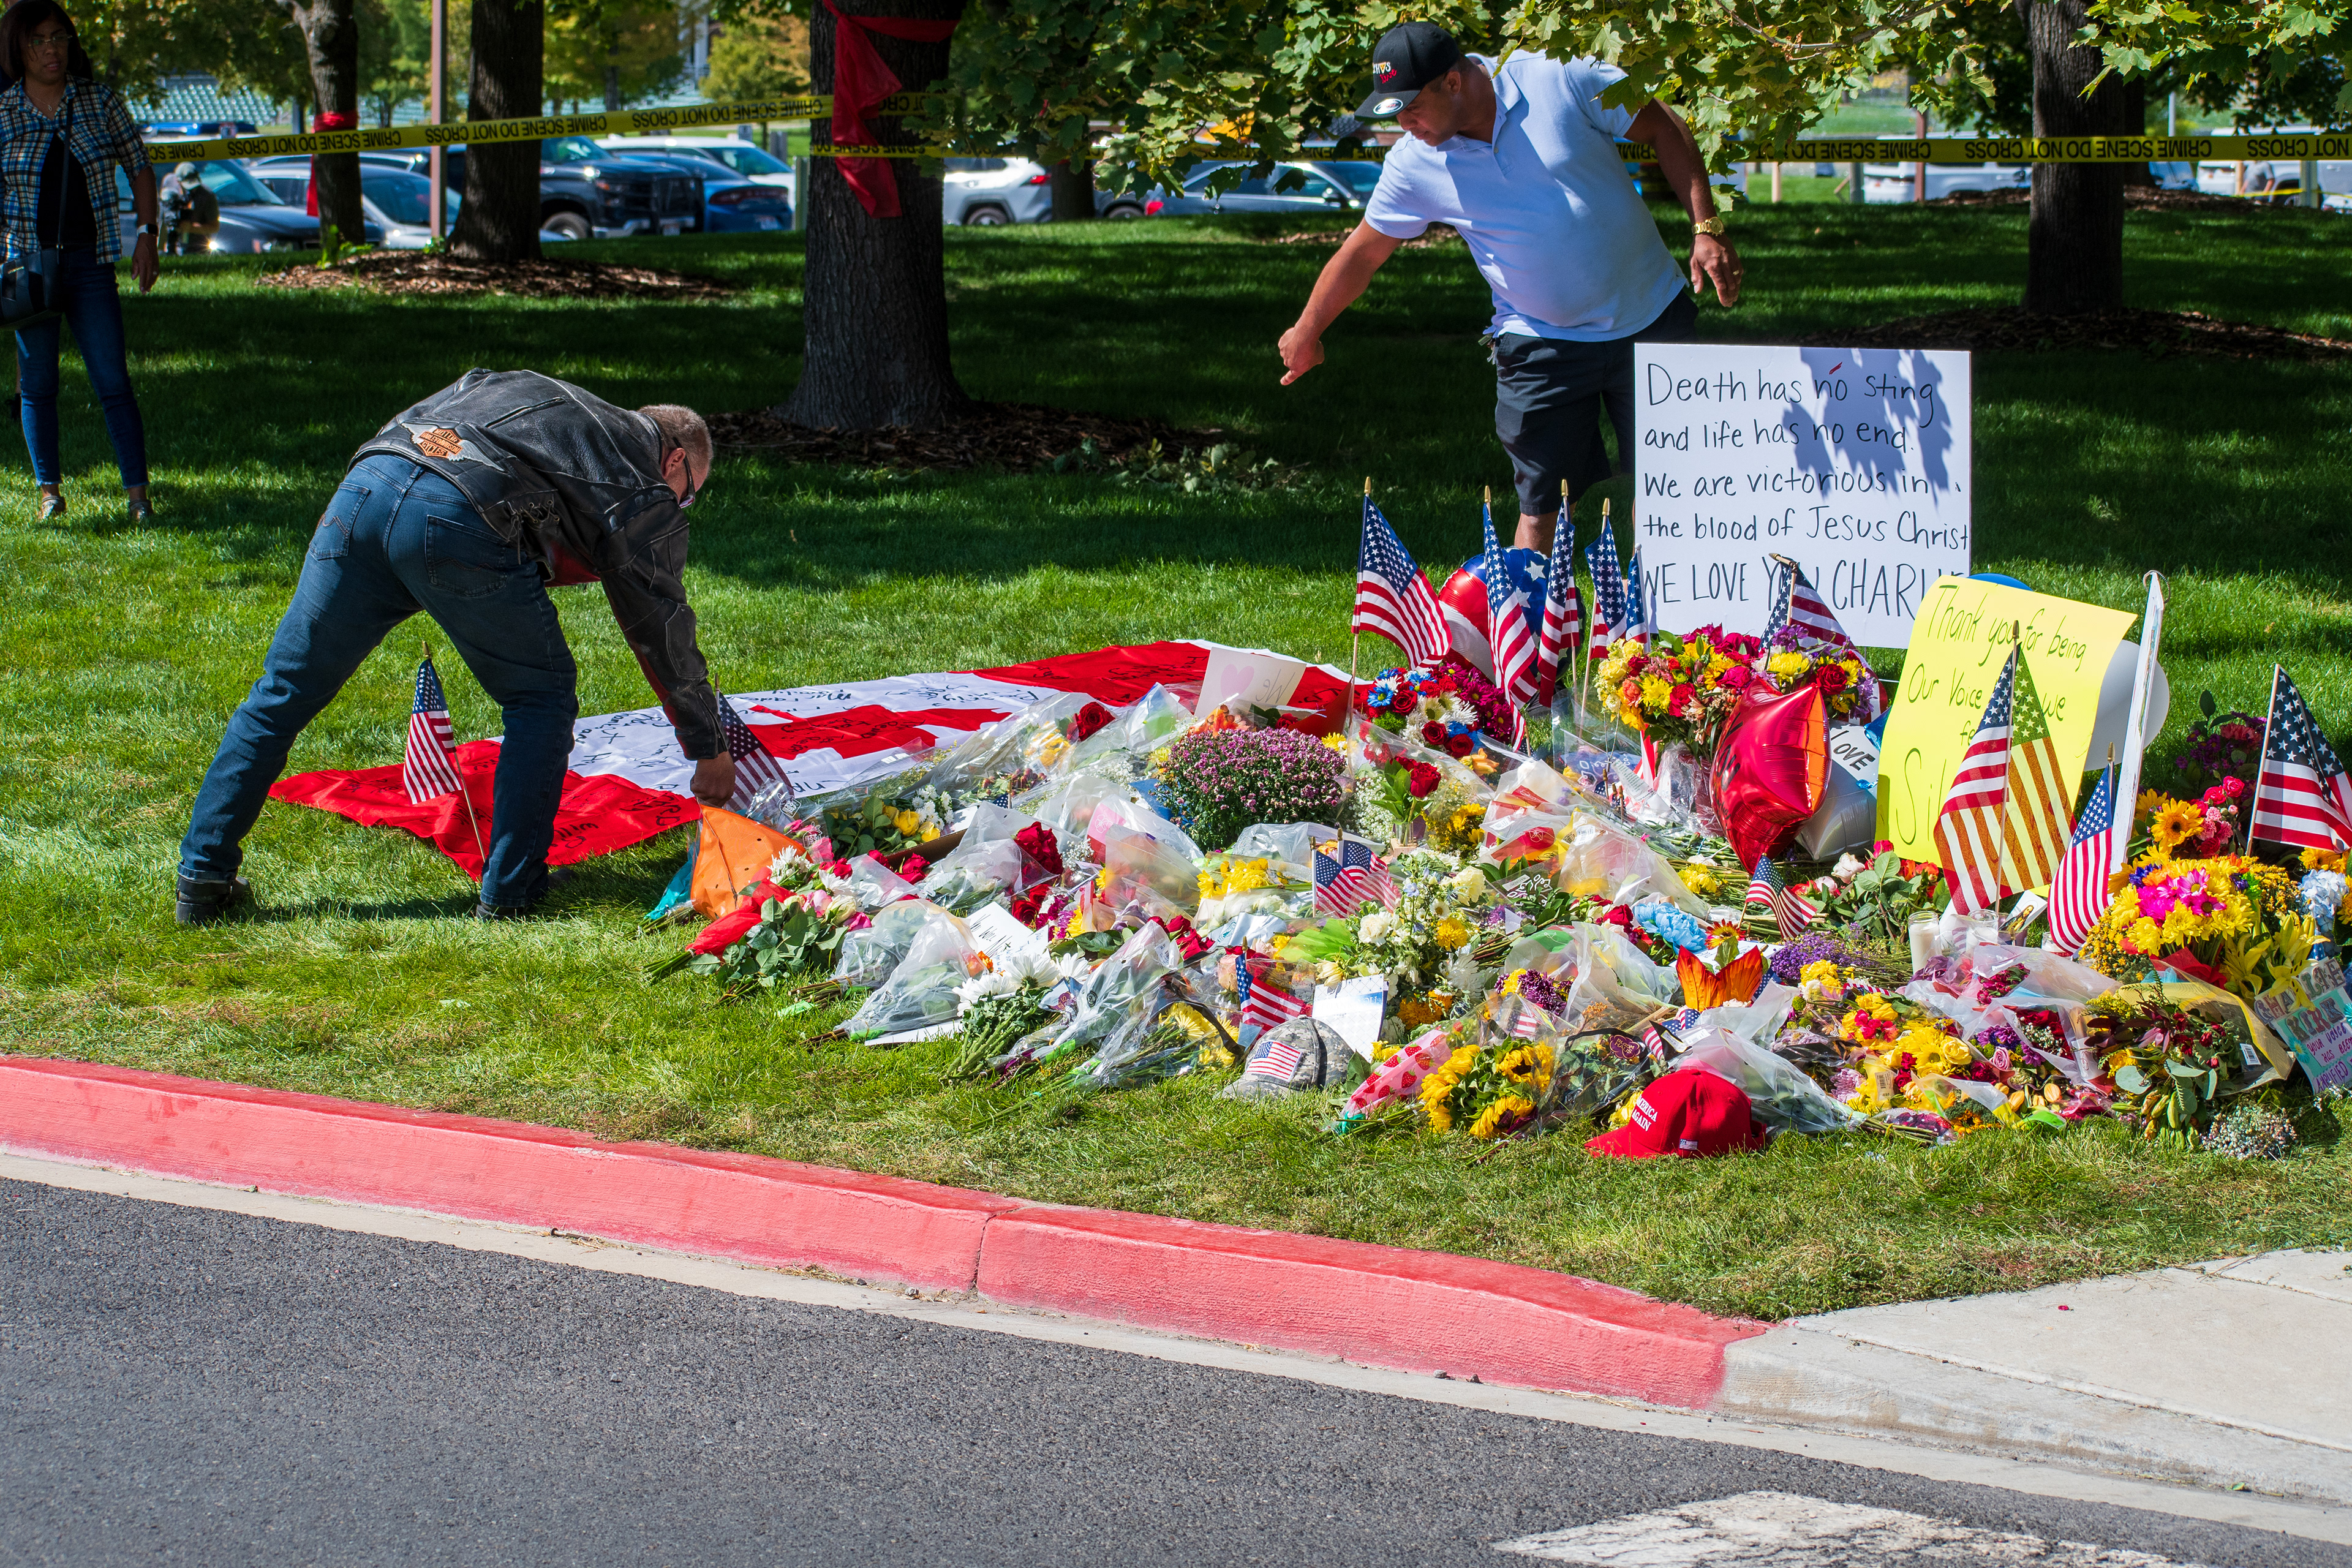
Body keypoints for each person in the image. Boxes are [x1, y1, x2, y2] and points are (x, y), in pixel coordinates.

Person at [174, 371, 737, 925]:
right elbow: (659, 621)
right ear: (674, 462)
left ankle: (203, 876)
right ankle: (513, 887)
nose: (678, 507)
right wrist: (707, 746)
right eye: (686, 496)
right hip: (460, 516)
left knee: (284, 690)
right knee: (539, 697)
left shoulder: (530, 385)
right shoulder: (641, 480)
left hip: (368, 484)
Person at [1278, 22, 1744, 554]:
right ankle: (1535, 635)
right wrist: (1307, 330)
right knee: (1543, 508)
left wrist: (1707, 228)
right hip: (1540, 341)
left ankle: (1653, 629)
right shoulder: (1415, 163)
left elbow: (1664, 125)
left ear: (1453, 83)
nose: (1406, 126)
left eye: (1412, 109)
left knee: (1666, 489)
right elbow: (1362, 252)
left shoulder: (1558, 75)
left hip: (1652, 314)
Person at [0, 0, 157, 522]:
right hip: (29, 271)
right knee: (37, 386)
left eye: (60, 38)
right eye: (40, 40)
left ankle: (138, 498)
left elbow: (139, 165)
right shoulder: (4, 112)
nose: (52, 49)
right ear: (18, 48)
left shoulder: (98, 101)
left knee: (113, 382)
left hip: (91, 264)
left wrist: (147, 234)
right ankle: (49, 493)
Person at [157, 160, 216, 255]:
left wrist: (191, 228)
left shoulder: (206, 195)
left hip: (197, 247)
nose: (190, 191)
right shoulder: (169, 188)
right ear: (178, 181)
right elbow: (162, 223)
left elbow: (214, 227)